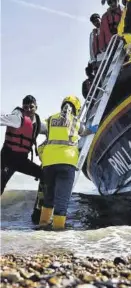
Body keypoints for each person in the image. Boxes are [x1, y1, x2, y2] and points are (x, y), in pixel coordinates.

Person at [38, 95, 95, 230]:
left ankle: (42, 227)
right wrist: (93, 129)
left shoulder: (51, 119)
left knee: (48, 199)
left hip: (49, 163)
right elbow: (85, 131)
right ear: (76, 109)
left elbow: (41, 128)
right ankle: (58, 234)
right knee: (61, 202)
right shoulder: (75, 122)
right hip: (66, 162)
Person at [0, 95, 47, 195]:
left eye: (31, 107)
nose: (29, 110)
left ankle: (41, 203)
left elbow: (50, 130)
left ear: (36, 107)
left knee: (44, 175)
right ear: (22, 107)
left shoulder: (38, 124)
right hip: (7, 160)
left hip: (22, 161)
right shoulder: (17, 119)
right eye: (26, 107)